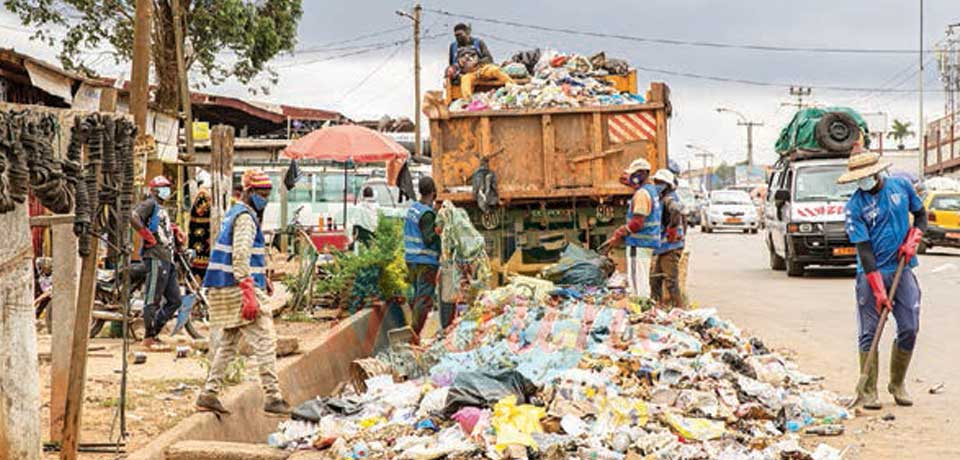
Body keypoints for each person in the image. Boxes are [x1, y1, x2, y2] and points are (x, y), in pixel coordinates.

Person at [196, 169, 290, 416]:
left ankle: (209, 392)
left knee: (229, 342)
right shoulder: (246, 218)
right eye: (262, 193)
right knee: (266, 340)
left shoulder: (234, 213)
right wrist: (249, 290)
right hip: (238, 287)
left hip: (225, 285)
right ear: (249, 192)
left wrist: (262, 277)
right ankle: (273, 396)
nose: (265, 198)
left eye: (268, 193)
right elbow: (240, 256)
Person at [837, 151, 926, 410]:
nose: (862, 182)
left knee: (909, 326)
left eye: (865, 176)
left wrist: (913, 240)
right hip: (871, 274)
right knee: (869, 333)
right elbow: (864, 251)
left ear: (876, 172)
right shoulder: (855, 206)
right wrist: (878, 291)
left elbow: (920, 216)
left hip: (903, 269)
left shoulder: (901, 187)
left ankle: (897, 383)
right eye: (858, 178)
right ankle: (867, 391)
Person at [131, 176, 184, 348]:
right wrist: (146, 236)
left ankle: (154, 331)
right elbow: (133, 216)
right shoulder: (150, 204)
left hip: (167, 258)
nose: (166, 190)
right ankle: (148, 337)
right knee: (152, 298)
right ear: (154, 190)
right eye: (163, 187)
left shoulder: (161, 208)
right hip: (155, 257)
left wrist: (176, 231)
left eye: (167, 187)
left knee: (175, 299)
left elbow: (162, 227)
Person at [599, 159, 661, 298]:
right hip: (648, 242)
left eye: (633, 174)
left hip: (638, 243)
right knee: (643, 277)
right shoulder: (651, 190)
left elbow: (637, 223)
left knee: (636, 282)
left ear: (640, 174)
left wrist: (621, 232)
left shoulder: (641, 194)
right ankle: (644, 305)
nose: (631, 178)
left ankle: (639, 306)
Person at [404, 176, 441, 337]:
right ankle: (414, 333)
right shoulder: (427, 215)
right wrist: (439, 231)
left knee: (416, 296)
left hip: (411, 259)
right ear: (433, 192)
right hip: (425, 261)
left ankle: (413, 328)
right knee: (424, 299)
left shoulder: (413, 209)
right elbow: (428, 238)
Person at [650, 169, 685, 309]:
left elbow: (676, 211)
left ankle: (679, 309)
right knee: (655, 279)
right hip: (664, 248)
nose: (657, 185)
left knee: (671, 281)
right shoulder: (663, 198)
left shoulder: (669, 198)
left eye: (659, 182)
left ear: (667, 184)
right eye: (656, 182)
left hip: (670, 247)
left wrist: (672, 228)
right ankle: (657, 306)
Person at [188, 177, 213, 279]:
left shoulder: (202, 196)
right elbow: (201, 212)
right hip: (202, 233)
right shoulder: (203, 196)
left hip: (200, 233)